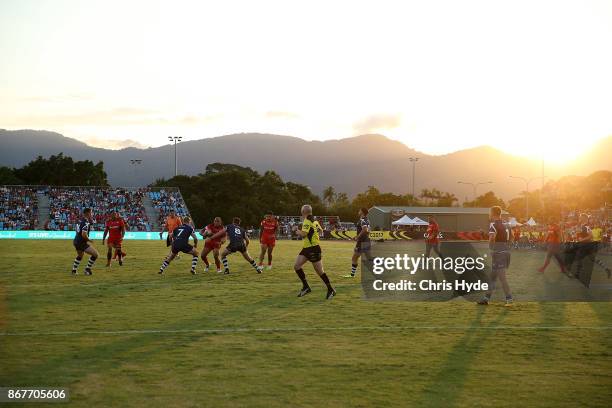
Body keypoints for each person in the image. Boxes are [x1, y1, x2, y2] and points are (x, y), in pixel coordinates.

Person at [293, 204, 336, 299]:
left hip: (313, 248)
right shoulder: (314, 220)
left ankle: (331, 289)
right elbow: (321, 231)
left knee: (320, 271)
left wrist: (296, 231)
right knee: (297, 266)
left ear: (303, 212)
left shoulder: (307, 221)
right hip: (307, 248)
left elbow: (304, 234)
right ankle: (306, 287)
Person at [477, 206, 513, 306]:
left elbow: (492, 237)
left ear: (493, 213)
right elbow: (512, 237)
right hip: (505, 253)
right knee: (492, 277)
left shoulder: (493, 224)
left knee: (502, 278)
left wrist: (492, 248)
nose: (489, 214)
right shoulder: (506, 224)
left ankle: (509, 299)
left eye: (490, 212)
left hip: (498, 254)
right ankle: (486, 298)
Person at [343, 207, 371, 278]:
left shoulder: (362, 220)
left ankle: (352, 275)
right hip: (366, 240)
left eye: (359, 210)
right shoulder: (367, 220)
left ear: (362, 212)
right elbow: (368, 230)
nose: (358, 211)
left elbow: (364, 229)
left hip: (362, 242)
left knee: (354, 258)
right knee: (369, 258)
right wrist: (357, 236)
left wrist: (358, 237)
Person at [71, 207, 99, 276]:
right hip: (81, 242)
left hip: (76, 241)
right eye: (91, 212)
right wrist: (89, 240)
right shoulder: (86, 222)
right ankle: (87, 270)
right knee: (95, 254)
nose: (91, 214)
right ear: (87, 213)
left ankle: (74, 270)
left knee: (80, 255)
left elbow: (77, 231)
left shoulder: (80, 220)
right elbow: (84, 234)